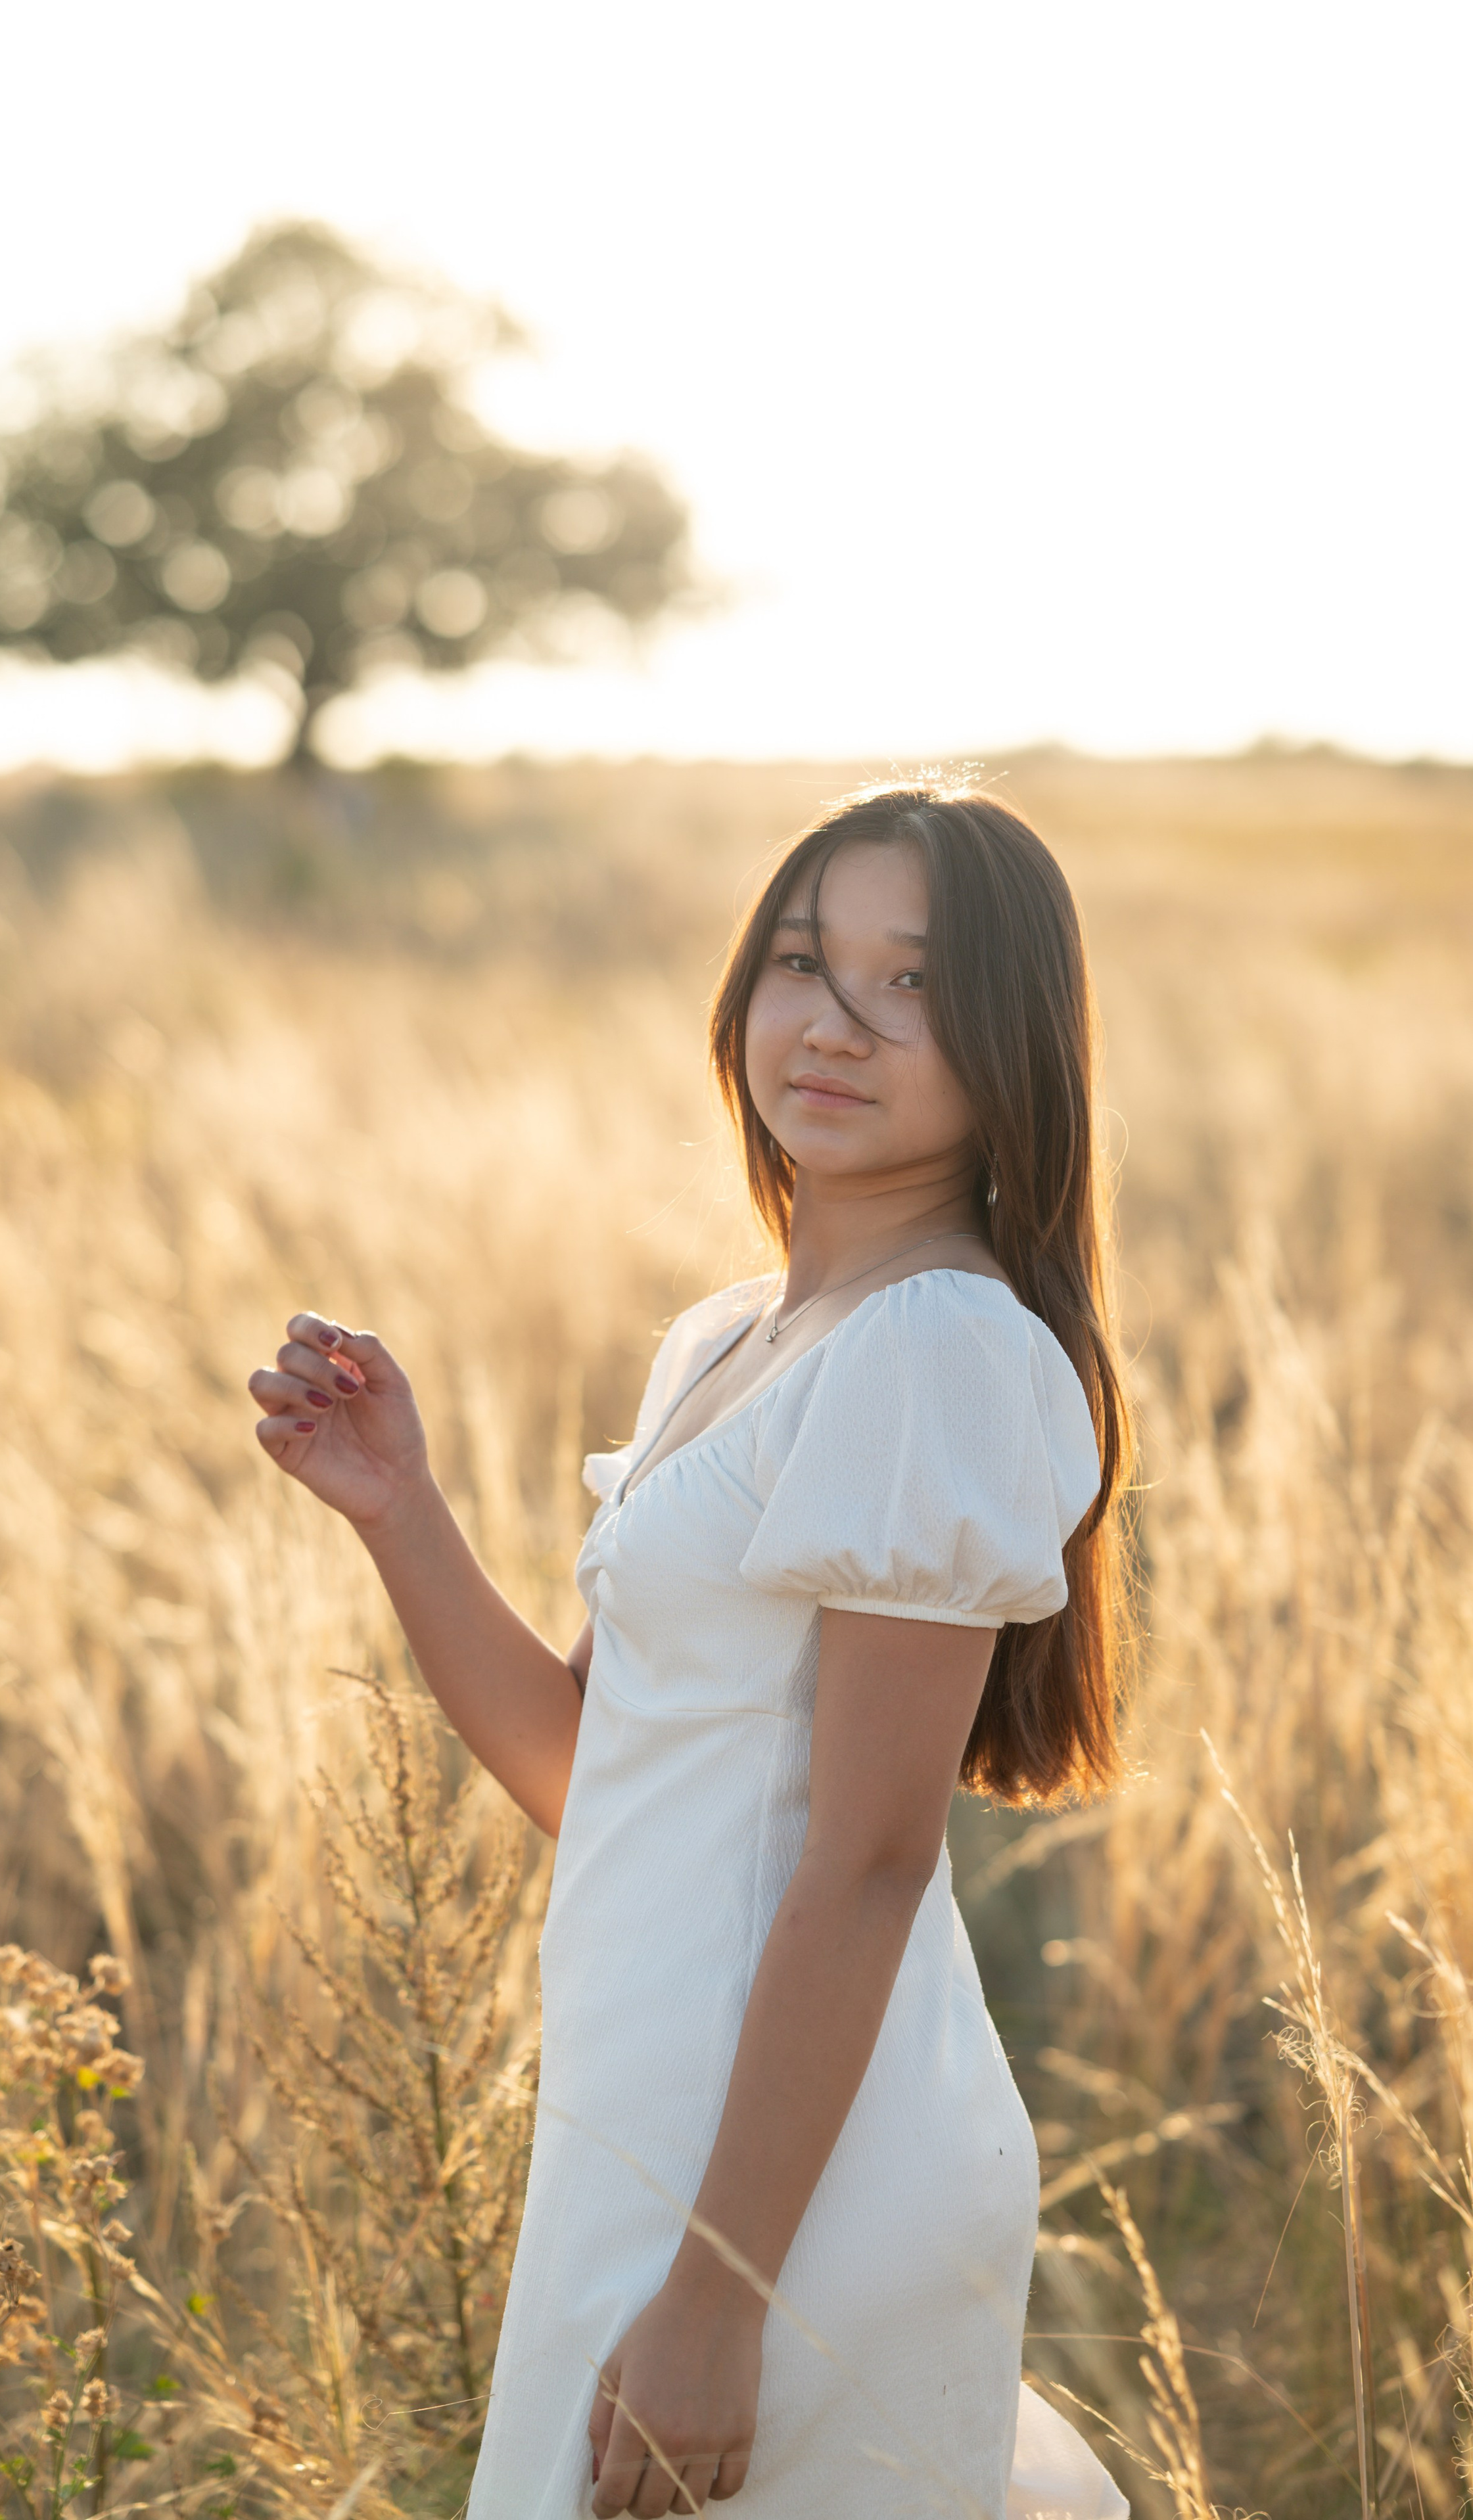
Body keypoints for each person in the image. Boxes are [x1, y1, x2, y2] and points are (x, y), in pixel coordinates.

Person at [248, 782, 1133, 2518]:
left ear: (1012, 1042)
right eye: (805, 960)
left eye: (914, 984)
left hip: (791, 2178)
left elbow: (873, 1860)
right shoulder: (730, 1338)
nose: (836, 1019)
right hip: (653, 2115)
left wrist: (720, 2297)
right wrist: (401, 1509)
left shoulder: (936, 1344)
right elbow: (602, 1769)